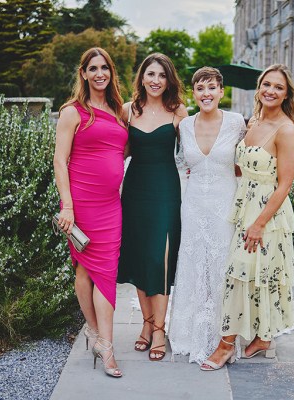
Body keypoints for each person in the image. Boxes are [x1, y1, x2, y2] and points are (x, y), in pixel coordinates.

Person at [200, 64, 294, 371]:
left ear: (286, 94)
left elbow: (285, 183)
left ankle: (226, 345)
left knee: (238, 275)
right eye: (266, 84)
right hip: (244, 204)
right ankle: (262, 338)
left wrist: (259, 223)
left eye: (278, 87)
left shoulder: (286, 129)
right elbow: (242, 166)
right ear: (259, 88)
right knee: (255, 275)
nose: (271, 90)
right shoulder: (253, 122)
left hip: (267, 213)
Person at [53, 47, 127, 378]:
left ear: (111, 73)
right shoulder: (73, 111)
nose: (100, 73)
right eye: (93, 68)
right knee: (85, 270)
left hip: (111, 205)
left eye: (105, 68)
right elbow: (59, 160)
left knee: (103, 272)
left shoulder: (117, 110)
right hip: (80, 205)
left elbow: (121, 150)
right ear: (83, 73)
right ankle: (104, 343)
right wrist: (67, 205)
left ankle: (97, 336)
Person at [168, 67, 246, 365]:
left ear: (221, 92)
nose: (206, 94)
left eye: (212, 88)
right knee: (194, 264)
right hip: (194, 204)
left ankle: (224, 334)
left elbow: (248, 160)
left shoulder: (238, 123)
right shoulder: (184, 126)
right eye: (200, 89)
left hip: (226, 205)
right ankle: (189, 331)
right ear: (193, 94)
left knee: (222, 266)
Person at [117, 53, 188, 361]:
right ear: (142, 78)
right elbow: (118, 151)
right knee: (141, 257)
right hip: (134, 191)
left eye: (162, 75)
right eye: (151, 74)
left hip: (165, 191)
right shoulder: (128, 110)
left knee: (160, 257)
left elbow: (196, 149)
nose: (156, 80)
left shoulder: (178, 111)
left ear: (168, 80)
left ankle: (160, 328)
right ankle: (146, 325)